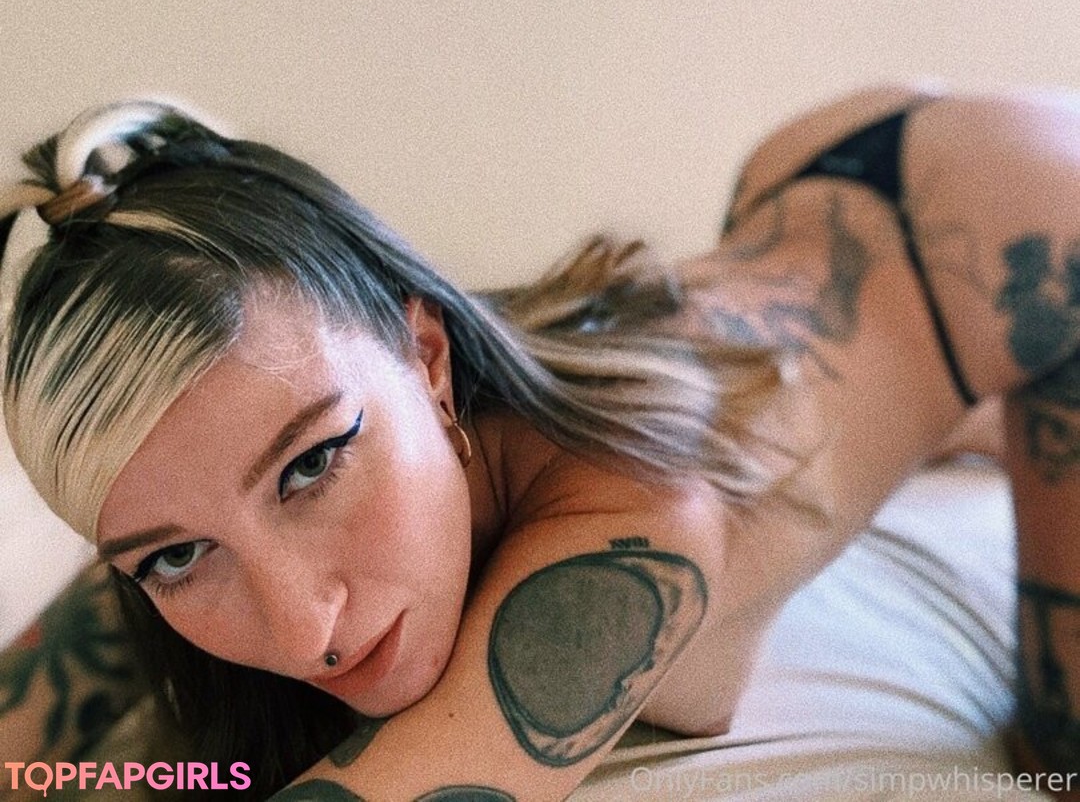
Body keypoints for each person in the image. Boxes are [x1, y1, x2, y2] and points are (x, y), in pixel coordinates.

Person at [0, 85, 1076, 801]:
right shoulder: (219, 464)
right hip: (801, 193)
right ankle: (951, 421)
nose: (302, 625)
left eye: (312, 465)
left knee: (1058, 755)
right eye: (174, 555)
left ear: (428, 356)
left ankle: (963, 407)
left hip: (1036, 224)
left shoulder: (639, 527)